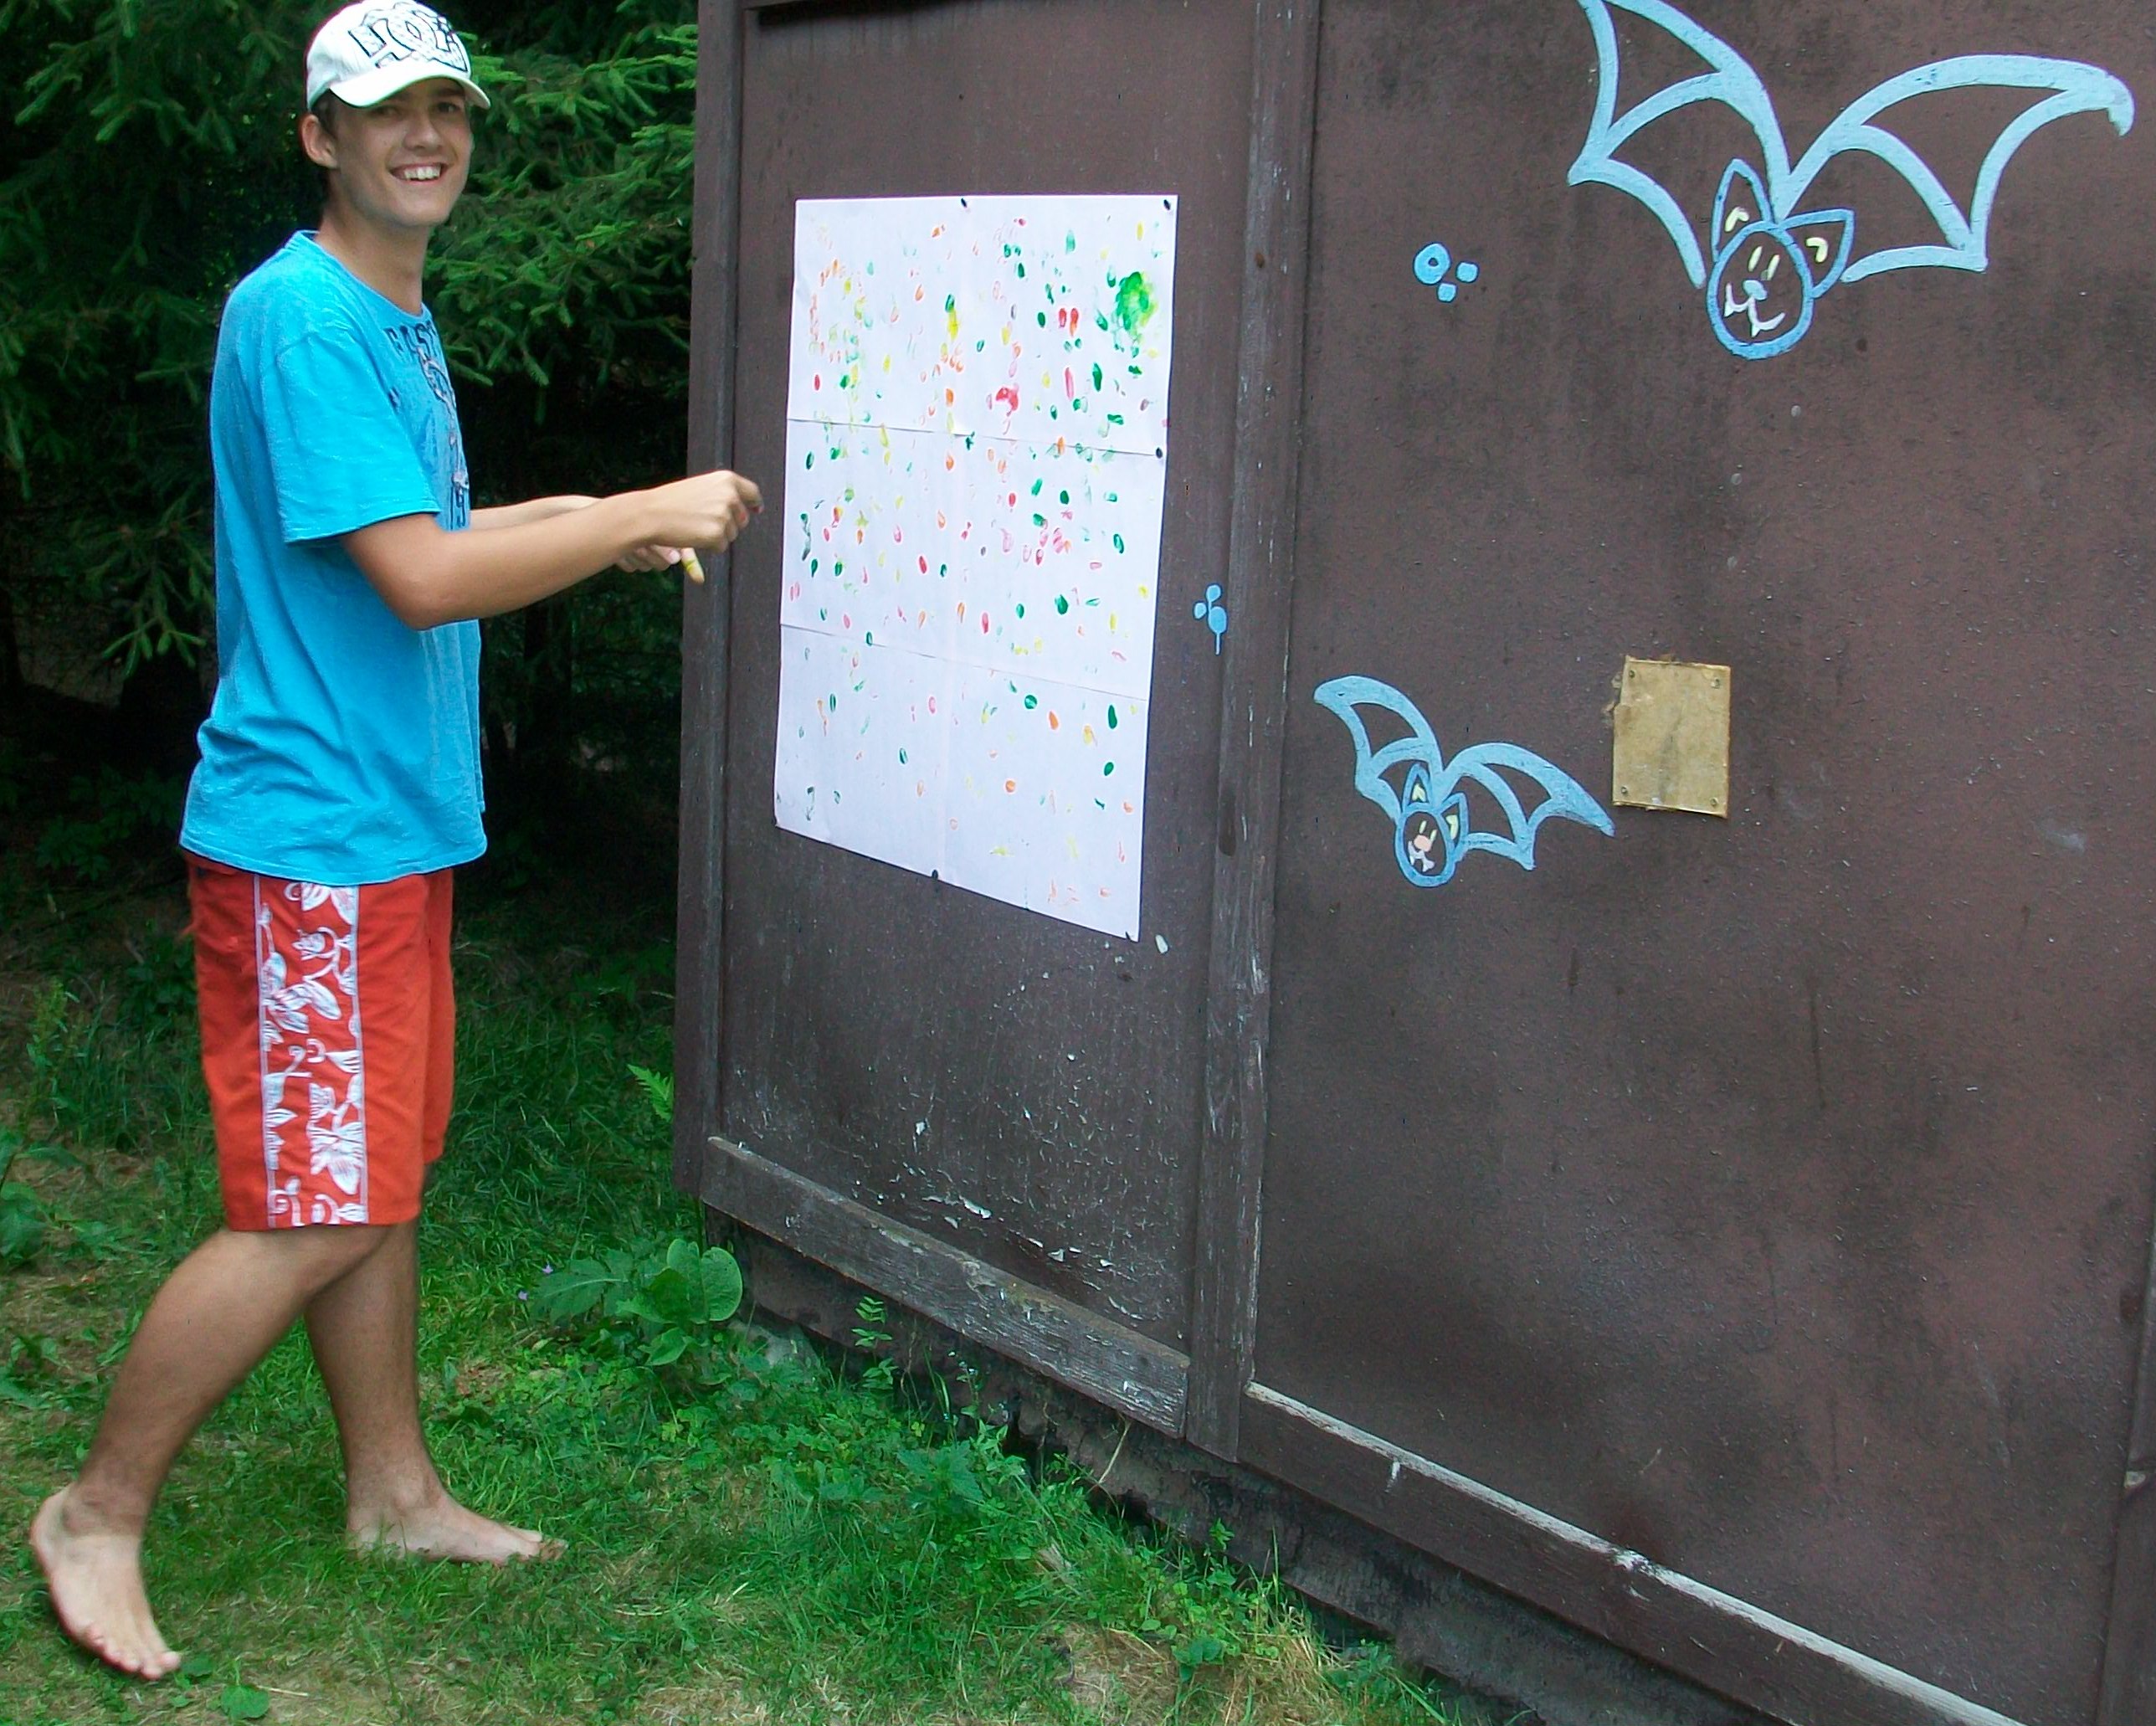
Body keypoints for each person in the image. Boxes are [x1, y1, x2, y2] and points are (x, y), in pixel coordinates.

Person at [27, 1, 760, 1681]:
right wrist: (636, 514)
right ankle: (98, 1507)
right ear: (322, 137)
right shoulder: (302, 317)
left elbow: (425, 531)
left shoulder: (384, 315)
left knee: (371, 1178)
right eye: (386, 112)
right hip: (312, 841)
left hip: (380, 830)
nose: (425, 137)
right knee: (308, 1203)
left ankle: (396, 1492)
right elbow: (423, 581)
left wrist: (597, 522)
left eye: (449, 110)